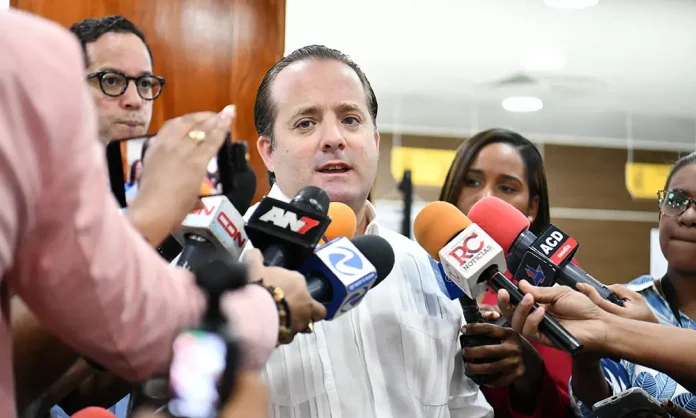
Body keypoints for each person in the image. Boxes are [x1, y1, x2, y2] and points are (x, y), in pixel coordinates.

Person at [2, 8, 323, 417]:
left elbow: (90, 391)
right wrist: (267, 306)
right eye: (111, 81)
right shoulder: (26, 198)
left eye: (145, 84)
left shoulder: (186, 219)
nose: (134, 100)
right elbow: (22, 375)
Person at [248, 44, 493, 418]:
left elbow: (464, 408)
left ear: (375, 141)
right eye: (306, 123)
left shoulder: (421, 265)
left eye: (350, 120)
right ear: (268, 151)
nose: (334, 138)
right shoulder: (226, 261)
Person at [438, 129, 571, 417]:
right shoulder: (417, 269)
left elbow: (569, 406)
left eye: (507, 188)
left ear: (532, 207)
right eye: (472, 182)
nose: (484, 197)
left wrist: (528, 370)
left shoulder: (552, 284)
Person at [496, 280, 696, 406]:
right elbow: (597, 406)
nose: (688, 224)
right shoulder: (627, 297)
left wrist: (608, 328)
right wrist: (598, 328)